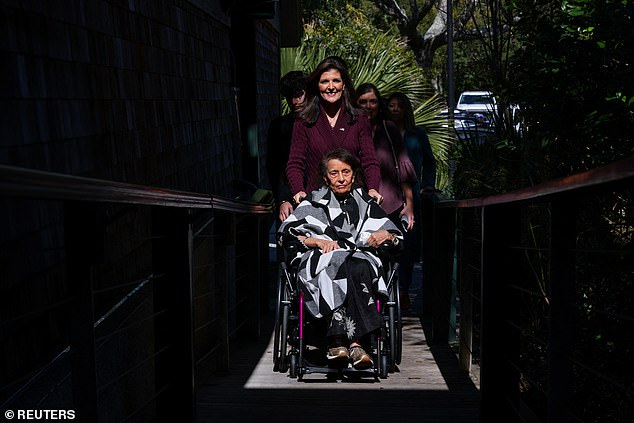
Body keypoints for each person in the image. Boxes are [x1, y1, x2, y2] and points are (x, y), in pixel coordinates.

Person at [278, 148, 403, 369]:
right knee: (337, 265)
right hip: (321, 260)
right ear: (326, 177)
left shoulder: (367, 204)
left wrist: (387, 235)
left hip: (359, 258)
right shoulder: (312, 203)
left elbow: (395, 237)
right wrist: (316, 241)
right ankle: (345, 342)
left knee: (357, 266)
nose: (341, 178)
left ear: (354, 175)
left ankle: (349, 343)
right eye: (334, 173)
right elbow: (287, 235)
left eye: (346, 172)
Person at [286, 56, 383, 207]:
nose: (331, 86)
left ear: (344, 84)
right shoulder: (303, 121)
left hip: (354, 201)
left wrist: (372, 189)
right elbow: (295, 163)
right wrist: (298, 190)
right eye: (324, 81)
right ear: (317, 86)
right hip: (316, 202)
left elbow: (370, 161)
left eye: (336, 81)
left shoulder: (359, 119)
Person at [386, 92, 438, 312]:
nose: (395, 109)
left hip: (412, 196)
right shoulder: (382, 134)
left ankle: (403, 289)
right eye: (391, 105)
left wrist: (427, 184)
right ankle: (385, 291)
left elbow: (429, 161)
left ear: (406, 109)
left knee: (408, 244)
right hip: (387, 193)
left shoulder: (417, 135)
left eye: (399, 106)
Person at [356, 82, 417, 232]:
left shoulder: (389, 128)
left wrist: (409, 205)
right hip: (357, 208)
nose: (368, 106)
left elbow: (403, 167)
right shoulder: (349, 130)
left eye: (373, 101)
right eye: (363, 102)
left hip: (390, 205)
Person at [266, 70, 307, 222]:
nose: (295, 101)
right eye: (290, 97)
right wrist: (283, 199)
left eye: (299, 95)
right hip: (289, 199)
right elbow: (274, 168)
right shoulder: (279, 126)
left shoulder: (321, 123)